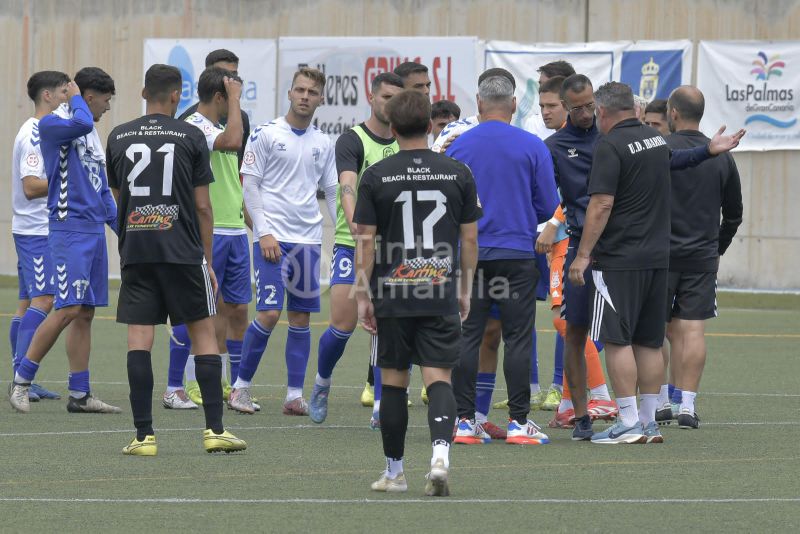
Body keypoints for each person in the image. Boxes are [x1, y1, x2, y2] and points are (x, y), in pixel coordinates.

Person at [539, 75, 745, 441]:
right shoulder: (652, 138)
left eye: (591, 107)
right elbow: (675, 160)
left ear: (602, 109)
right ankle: (641, 421)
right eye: (578, 107)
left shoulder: (610, 144)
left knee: (617, 339)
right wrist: (709, 150)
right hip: (657, 257)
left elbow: (602, 203)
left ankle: (630, 421)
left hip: (613, 255)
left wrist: (583, 254)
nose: (586, 113)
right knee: (643, 340)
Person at [107, 64, 247, 455]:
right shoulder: (189, 135)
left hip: (138, 250)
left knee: (139, 339)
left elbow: (118, 198)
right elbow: (204, 207)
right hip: (183, 251)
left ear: (142, 92)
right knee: (203, 333)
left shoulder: (118, 135)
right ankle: (215, 431)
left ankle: (143, 436)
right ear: (176, 96)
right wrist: (206, 258)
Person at [354, 89, 480, 496]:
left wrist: (362, 295)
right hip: (439, 290)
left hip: (392, 293)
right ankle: (440, 456)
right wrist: (464, 287)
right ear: (429, 126)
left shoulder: (376, 176)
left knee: (393, 383)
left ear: (392, 129)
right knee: (438, 378)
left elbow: (366, 243)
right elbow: (470, 239)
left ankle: (394, 473)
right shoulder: (458, 172)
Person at [448, 74, 559, 446]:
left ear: (478, 104)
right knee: (518, 337)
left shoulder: (459, 147)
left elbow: (449, 205)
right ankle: (518, 422)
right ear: (513, 104)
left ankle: (464, 421)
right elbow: (547, 204)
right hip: (516, 254)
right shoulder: (532, 145)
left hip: (472, 255)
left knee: (468, 335)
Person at [9, 67, 120, 414]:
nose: (108, 108)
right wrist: (74, 98)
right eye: (105, 101)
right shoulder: (52, 125)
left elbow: (102, 188)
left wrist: (125, 233)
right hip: (67, 228)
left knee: (85, 313)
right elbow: (83, 123)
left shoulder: (91, 134)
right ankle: (22, 381)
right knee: (66, 306)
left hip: (93, 231)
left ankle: (81, 394)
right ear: (86, 98)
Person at [228, 67, 337, 415]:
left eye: (312, 92)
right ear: (289, 93)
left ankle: (293, 396)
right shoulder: (265, 133)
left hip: (308, 239)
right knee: (271, 312)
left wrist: (346, 231)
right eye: (300, 90)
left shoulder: (324, 142)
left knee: (301, 318)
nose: (305, 96)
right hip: (273, 239)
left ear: (321, 99)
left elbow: (333, 191)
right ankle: (240, 388)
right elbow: (250, 185)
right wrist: (264, 231)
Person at [310, 72, 404, 425]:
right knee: (343, 326)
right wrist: (356, 225)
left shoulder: (404, 142)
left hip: (392, 250)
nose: (390, 104)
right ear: (371, 96)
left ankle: (382, 403)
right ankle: (322, 382)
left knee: (388, 326)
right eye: (385, 97)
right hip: (353, 245)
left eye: (397, 98)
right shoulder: (352, 140)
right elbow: (347, 186)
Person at [164, 67, 249, 411]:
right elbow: (233, 142)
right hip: (207, 230)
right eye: (229, 95)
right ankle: (175, 386)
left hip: (235, 228)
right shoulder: (196, 126)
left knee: (233, 307)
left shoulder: (216, 126)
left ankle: (226, 383)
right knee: (196, 308)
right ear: (219, 97)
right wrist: (236, 100)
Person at [659, 86, 743, 429]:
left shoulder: (658, 149)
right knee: (694, 331)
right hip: (701, 257)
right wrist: (716, 248)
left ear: (673, 113)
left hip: (659, 255)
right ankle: (688, 407)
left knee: (653, 331)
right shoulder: (722, 155)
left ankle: (660, 401)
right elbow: (734, 213)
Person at [10, 71, 73, 402]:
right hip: (36, 231)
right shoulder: (35, 132)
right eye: (65, 92)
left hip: (32, 229)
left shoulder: (43, 129)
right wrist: (71, 182)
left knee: (26, 303)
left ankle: (22, 379)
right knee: (45, 300)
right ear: (48, 96)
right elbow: (32, 186)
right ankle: (21, 378)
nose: (68, 97)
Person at [178, 49, 250, 165]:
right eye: (225, 75)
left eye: (234, 75)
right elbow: (233, 142)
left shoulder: (241, 118)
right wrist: (234, 98)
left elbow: (240, 163)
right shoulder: (191, 122)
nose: (231, 82)